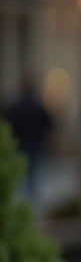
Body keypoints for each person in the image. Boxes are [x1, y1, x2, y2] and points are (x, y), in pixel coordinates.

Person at [1, 73, 54, 210]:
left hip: (21, 145)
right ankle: (32, 205)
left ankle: (25, 204)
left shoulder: (16, 107)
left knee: (22, 176)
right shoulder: (38, 106)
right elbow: (49, 124)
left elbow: (7, 124)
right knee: (34, 175)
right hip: (36, 145)